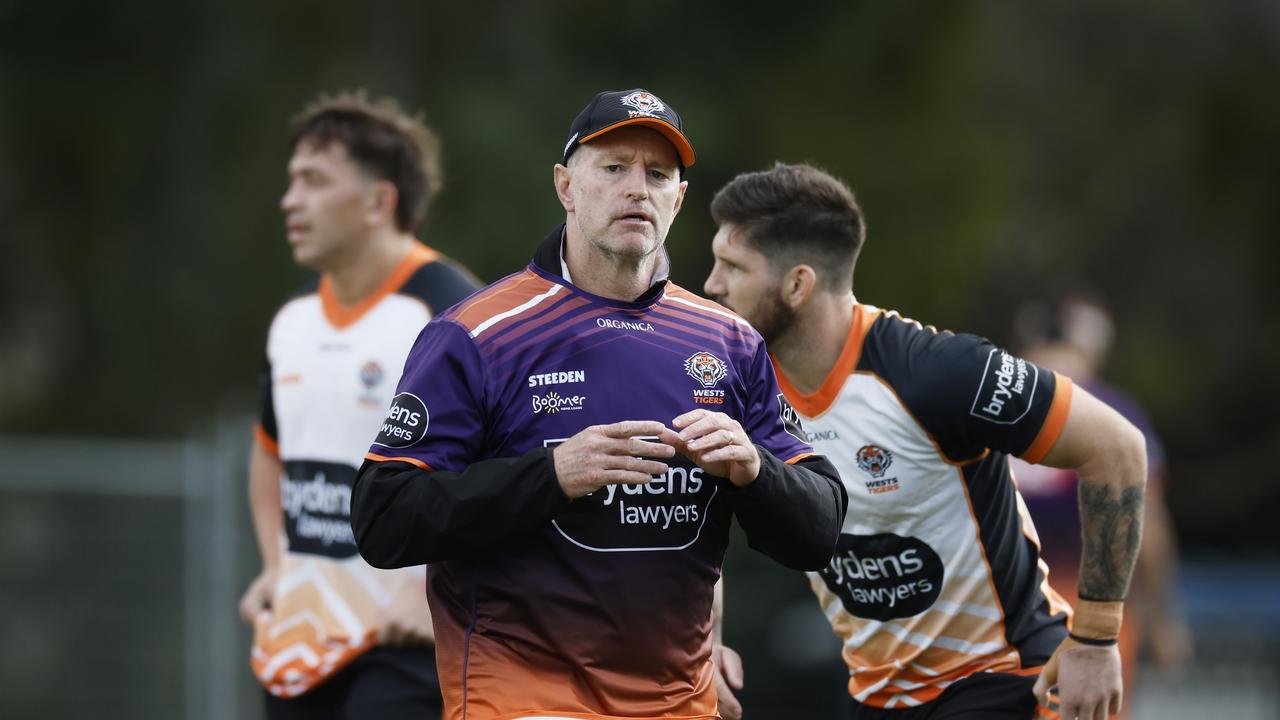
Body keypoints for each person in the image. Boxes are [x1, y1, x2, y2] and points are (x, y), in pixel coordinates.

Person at [350, 89, 848, 720]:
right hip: (521, 698)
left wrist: (755, 474)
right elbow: (382, 516)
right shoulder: (476, 335)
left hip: (678, 704)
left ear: (679, 200)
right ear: (566, 185)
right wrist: (552, 474)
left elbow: (821, 528)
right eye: (613, 168)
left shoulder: (727, 341)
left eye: (658, 175)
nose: (637, 189)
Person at [702, 163, 1148, 720]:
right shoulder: (735, 385)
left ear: (797, 285)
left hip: (1004, 681)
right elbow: (701, 521)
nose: (711, 285)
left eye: (732, 267)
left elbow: (1119, 448)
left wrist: (1097, 639)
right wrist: (706, 646)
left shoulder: (936, 373)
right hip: (877, 695)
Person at [238, 90, 483, 719]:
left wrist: (444, 589)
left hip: (406, 645)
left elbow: (510, 474)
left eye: (314, 180)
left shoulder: (457, 314)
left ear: (380, 201)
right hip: (301, 643)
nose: (290, 200)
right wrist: (274, 567)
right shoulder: (291, 318)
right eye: (292, 181)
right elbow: (270, 456)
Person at [1009, 295, 1194, 719]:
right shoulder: (1111, 412)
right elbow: (1146, 527)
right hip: (1088, 615)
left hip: (987, 611)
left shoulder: (982, 407)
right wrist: (1164, 617)